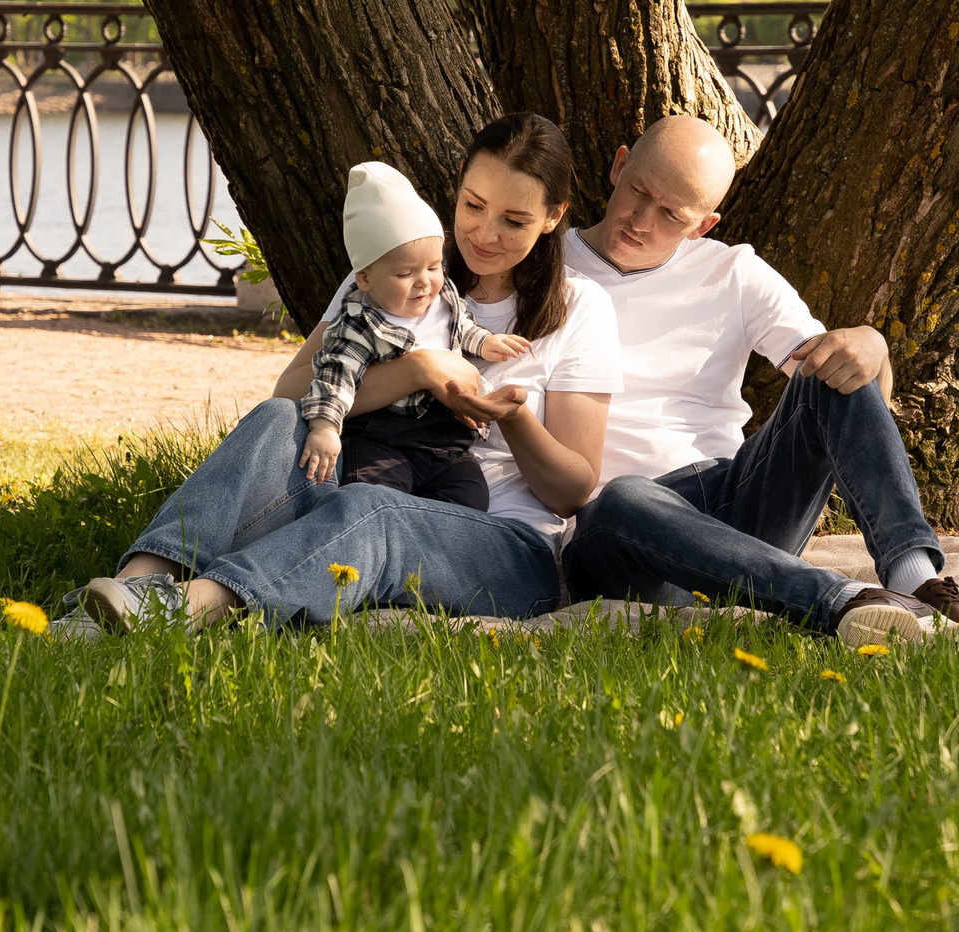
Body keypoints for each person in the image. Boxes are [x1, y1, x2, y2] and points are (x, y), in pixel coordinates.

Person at [58, 112, 617, 636]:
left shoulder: (578, 306)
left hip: (503, 546)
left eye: (514, 220)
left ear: (554, 216)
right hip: (369, 474)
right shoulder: (396, 269)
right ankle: (128, 590)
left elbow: (572, 489)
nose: (485, 234)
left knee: (372, 508)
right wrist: (417, 368)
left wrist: (512, 416)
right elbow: (292, 391)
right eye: (473, 206)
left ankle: (188, 608)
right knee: (280, 419)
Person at [557, 115, 959, 646]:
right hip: (619, 534)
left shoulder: (733, 273)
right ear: (618, 164)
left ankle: (918, 583)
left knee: (833, 360)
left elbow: (855, 396)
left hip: (735, 506)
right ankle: (844, 601)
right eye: (639, 191)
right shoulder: (543, 269)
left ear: (703, 225)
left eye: (672, 214)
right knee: (627, 497)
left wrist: (873, 347)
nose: (642, 220)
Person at [297, 161, 529, 509]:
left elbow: (459, 327)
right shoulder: (361, 323)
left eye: (434, 267)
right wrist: (325, 428)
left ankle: (432, 555)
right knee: (374, 499)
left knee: (469, 500)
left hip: (446, 442)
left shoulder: (442, 297)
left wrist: (484, 341)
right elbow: (335, 375)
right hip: (383, 439)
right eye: (406, 273)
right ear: (364, 278)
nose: (425, 282)